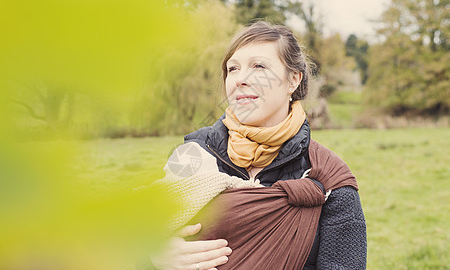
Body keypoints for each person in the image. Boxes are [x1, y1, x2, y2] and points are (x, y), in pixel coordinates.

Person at [146, 21, 367, 270]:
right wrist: (152, 258)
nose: (240, 79)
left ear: (293, 80)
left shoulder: (328, 178)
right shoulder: (191, 157)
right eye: (233, 68)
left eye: (259, 66)